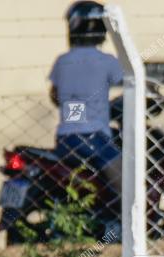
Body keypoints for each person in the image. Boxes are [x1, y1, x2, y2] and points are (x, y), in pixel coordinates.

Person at [48, 0, 123, 195]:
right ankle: (130, 220)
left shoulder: (62, 61)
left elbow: (55, 96)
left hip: (65, 138)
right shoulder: (106, 61)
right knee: (127, 182)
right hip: (94, 137)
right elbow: (131, 83)